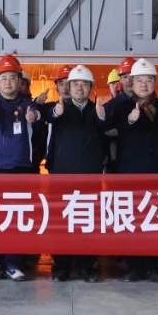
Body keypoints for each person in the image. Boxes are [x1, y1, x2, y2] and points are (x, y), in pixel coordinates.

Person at [110, 58, 158, 283]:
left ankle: (153, 268)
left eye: (148, 80)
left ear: (154, 82)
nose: (143, 84)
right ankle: (134, 267)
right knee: (133, 220)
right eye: (139, 80)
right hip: (130, 174)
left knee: (155, 220)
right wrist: (129, 121)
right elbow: (103, 126)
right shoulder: (121, 107)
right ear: (132, 82)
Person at [0, 55, 41, 282]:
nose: (8, 83)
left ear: (19, 81)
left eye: (12, 78)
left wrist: (33, 116)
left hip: (19, 168)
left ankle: (14, 263)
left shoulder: (27, 104)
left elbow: (37, 115)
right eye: (3, 78)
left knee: (17, 217)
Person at [46, 64, 108, 283]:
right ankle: (61, 266)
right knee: (61, 221)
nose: (79, 88)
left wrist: (102, 118)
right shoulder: (59, 108)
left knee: (88, 221)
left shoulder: (98, 109)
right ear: (68, 87)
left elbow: (108, 131)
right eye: (75, 84)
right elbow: (48, 116)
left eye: (84, 84)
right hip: (62, 175)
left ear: (90, 87)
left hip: (90, 175)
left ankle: (86, 266)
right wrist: (56, 113)